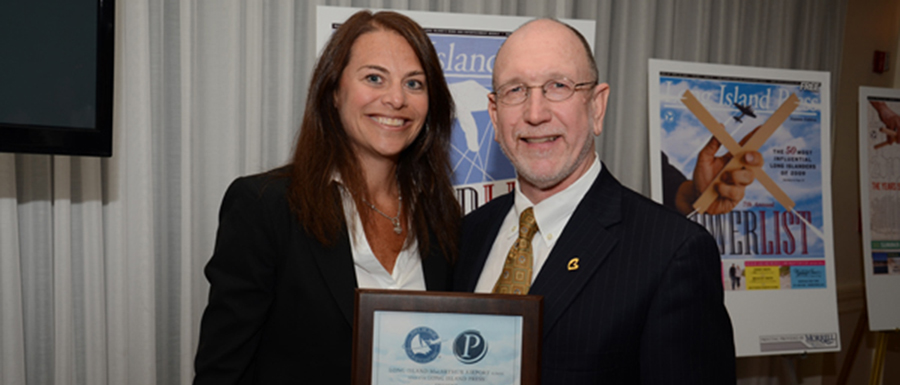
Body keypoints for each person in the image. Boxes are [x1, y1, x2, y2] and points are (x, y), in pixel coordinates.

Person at [453, 19, 735, 384]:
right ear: (494, 114)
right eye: (516, 90)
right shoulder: (468, 234)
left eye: (558, 86)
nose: (535, 113)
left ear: (597, 107)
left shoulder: (672, 253)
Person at [194, 10, 460, 384]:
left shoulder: (441, 213)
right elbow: (222, 371)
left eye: (415, 84)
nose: (397, 99)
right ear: (334, 92)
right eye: (374, 78)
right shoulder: (265, 206)